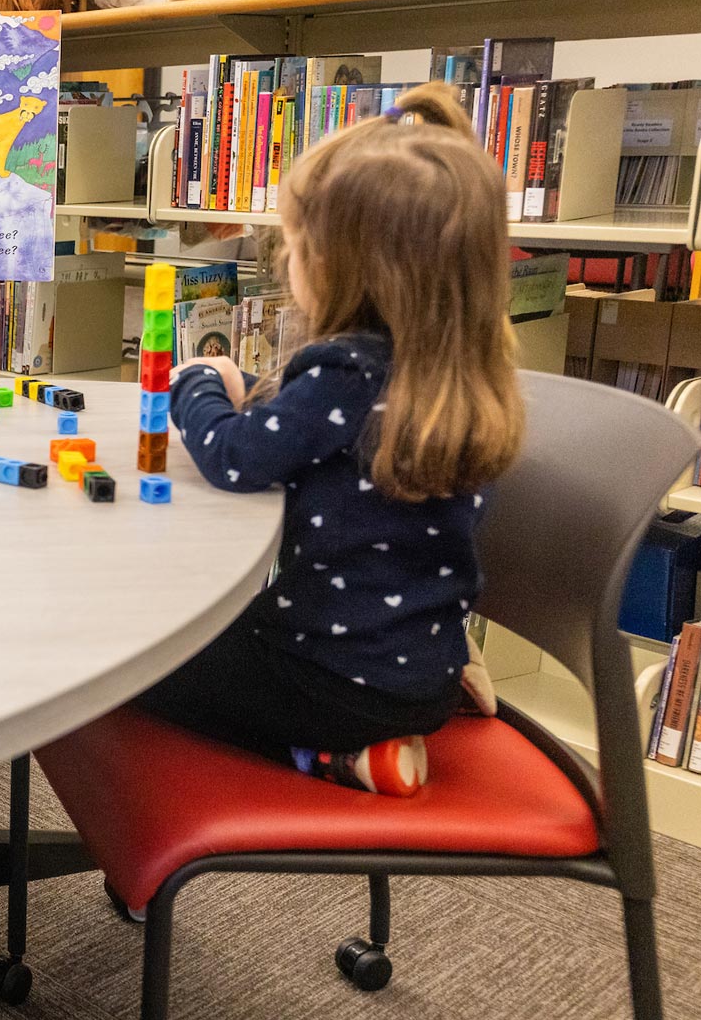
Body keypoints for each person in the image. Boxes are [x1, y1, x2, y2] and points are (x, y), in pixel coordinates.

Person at [146, 81, 522, 798]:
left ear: (336, 266)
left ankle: (327, 758)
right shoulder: (465, 376)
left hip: (329, 682)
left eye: (294, 246)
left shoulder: (346, 373)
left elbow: (234, 458)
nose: (287, 263)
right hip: (427, 674)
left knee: (132, 658)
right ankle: (359, 745)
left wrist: (194, 383)